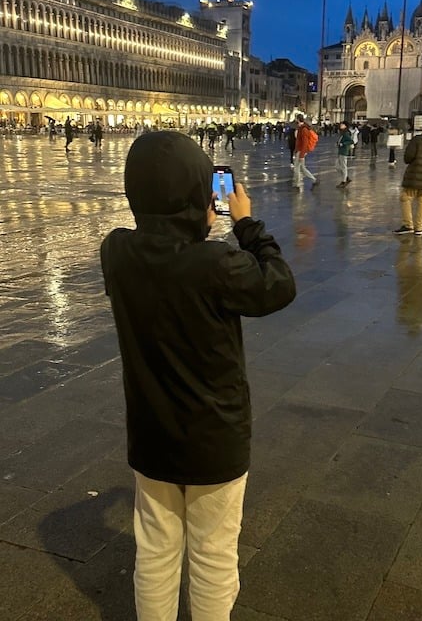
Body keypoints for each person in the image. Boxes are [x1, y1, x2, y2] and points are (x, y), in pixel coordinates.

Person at [100, 131, 296, 621]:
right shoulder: (217, 264)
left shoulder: (116, 252)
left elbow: (163, 250)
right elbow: (278, 285)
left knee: (156, 551)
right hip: (215, 436)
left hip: (151, 435)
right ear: (198, 194)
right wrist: (244, 222)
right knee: (212, 555)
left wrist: (190, 220)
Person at [293, 114, 318, 190]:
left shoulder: (303, 129)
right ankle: (314, 180)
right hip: (300, 150)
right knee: (303, 168)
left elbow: (304, 143)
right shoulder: (302, 128)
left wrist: (301, 155)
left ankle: (297, 184)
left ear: (297, 119)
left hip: (301, 151)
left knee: (296, 168)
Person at [336, 121, 353, 188]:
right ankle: (346, 177)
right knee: (337, 166)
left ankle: (344, 181)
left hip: (343, 152)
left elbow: (351, 141)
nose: (341, 125)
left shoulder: (346, 133)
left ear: (345, 126)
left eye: (342, 124)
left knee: (343, 166)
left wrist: (343, 144)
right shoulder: (342, 133)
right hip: (340, 151)